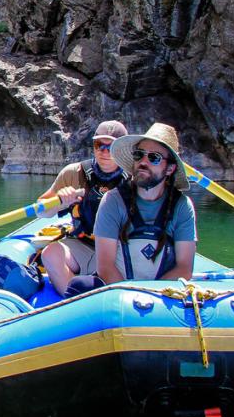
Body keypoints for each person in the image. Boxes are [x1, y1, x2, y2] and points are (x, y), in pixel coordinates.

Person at [91, 122, 197, 286]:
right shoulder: (113, 201)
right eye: (139, 155)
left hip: (161, 294)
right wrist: (131, 297)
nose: (143, 162)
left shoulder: (182, 206)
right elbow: (105, 268)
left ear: (170, 169)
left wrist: (152, 295)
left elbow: (184, 268)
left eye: (154, 157)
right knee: (79, 286)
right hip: (118, 292)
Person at [37, 120, 128, 296]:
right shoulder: (73, 173)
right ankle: (74, 299)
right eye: (99, 145)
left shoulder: (136, 176)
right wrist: (60, 201)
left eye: (111, 147)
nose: (104, 151)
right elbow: (41, 211)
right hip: (83, 244)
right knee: (50, 254)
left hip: (121, 250)